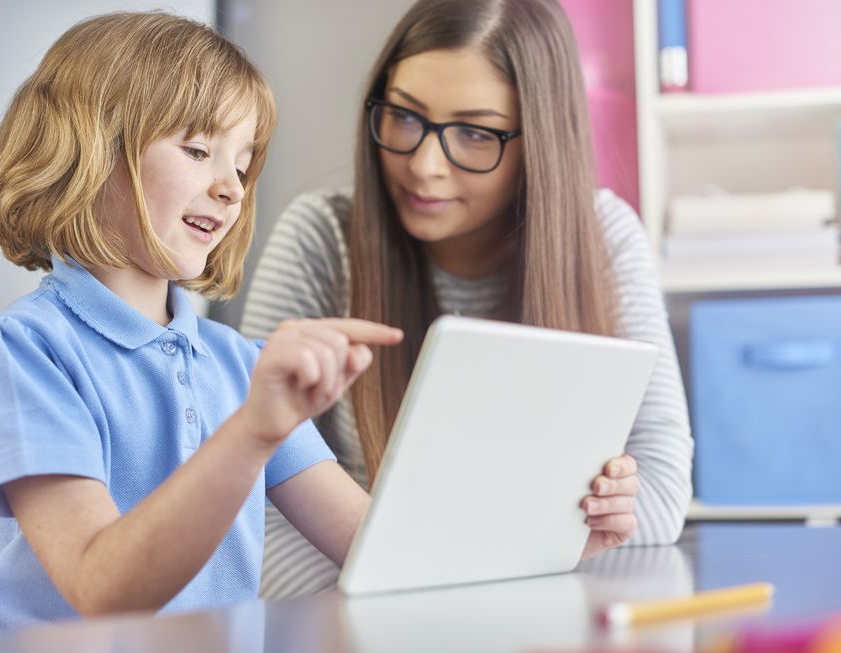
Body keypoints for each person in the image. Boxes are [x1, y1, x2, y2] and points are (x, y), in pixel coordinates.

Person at [0, 11, 402, 634]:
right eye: (197, 150)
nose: (233, 189)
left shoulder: (239, 364)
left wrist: (572, 532)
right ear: (91, 148)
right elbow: (100, 586)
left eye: (242, 166)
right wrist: (251, 433)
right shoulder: (22, 351)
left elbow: (383, 554)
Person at [241, 0, 693, 598]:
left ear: (541, 141)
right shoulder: (320, 236)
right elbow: (249, 485)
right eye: (404, 116)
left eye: (476, 133)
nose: (424, 166)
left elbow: (659, 493)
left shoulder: (604, 235)